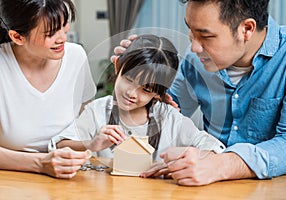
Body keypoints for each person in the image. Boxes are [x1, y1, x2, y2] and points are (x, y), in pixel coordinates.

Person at [112, 0, 286, 186]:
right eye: (191, 32)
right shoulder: (196, 59)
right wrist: (135, 78)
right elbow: (165, 114)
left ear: (247, 29)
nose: (194, 47)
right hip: (203, 189)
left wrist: (222, 164)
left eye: (205, 36)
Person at [49, 34, 225, 165]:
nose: (132, 93)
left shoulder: (168, 117)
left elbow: (213, 146)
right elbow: (58, 145)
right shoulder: (98, 111)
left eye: (146, 90)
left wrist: (186, 155)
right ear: (118, 66)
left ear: (158, 93)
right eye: (129, 80)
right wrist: (92, 143)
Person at [0, 0, 96, 178]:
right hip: (10, 180)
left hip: (69, 176)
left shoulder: (76, 56)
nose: (62, 38)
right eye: (51, 33)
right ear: (17, 37)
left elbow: (82, 124)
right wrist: (40, 163)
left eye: (63, 26)